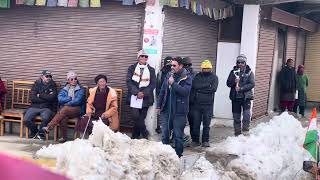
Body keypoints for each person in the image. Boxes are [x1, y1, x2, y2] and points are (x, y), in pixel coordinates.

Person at [157, 57, 192, 157]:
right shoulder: (169, 75)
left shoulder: (187, 77)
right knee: (165, 134)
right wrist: (159, 105)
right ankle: (165, 156)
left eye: (174, 65)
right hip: (166, 109)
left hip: (179, 111)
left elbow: (185, 92)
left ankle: (178, 156)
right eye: (171, 65)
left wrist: (173, 84)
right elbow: (163, 91)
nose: (172, 67)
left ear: (180, 66)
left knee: (178, 136)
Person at [42, 71, 86, 143]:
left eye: (75, 79)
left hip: (78, 109)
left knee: (64, 109)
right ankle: (63, 137)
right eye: (71, 79)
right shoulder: (65, 89)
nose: (74, 80)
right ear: (68, 80)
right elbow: (60, 98)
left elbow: (78, 100)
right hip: (67, 110)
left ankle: (49, 127)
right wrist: (69, 98)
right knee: (63, 116)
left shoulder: (81, 89)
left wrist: (67, 104)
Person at [127, 49, 156, 139]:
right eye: (142, 56)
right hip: (134, 96)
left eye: (145, 56)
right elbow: (129, 81)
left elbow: (153, 84)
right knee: (136, 116)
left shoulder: (151, 70)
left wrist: (143, 93)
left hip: (146, 98)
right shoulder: (131, 68)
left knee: (141, 117)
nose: (144, 57)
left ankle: (135, 137)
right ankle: (144, 132)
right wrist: (137, 92)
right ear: (138, 57)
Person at [190, 60, 218, 147]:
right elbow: (195, 86)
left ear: (210, 68)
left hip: (208, 105)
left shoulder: (214, 77)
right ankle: (195, 140)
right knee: (196, 123)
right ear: (202, 69)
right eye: (204, 69)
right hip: (197, 104)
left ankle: (205, 140)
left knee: (206, 124)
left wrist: (200, 89)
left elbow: (213, 89)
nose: (206, 70)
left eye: (207, 68)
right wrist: (207, 86)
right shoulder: (197, 76)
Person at [24, 70, 57, 140]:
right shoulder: (36, 84)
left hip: (46, 107)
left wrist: (40, 95)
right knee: (26, 120)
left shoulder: (53, 84)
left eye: (50, 76)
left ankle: (41, 133)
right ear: (42, 77)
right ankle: (34, 130)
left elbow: (52, 97)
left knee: (46, 118)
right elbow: (33, 98)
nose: (49, 78)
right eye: (47, 76)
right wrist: (46, 97)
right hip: (35, 106)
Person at [227, 54, 255, 136]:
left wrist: (241, 88)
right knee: (236, 117)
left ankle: (245, 131)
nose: (240, 64)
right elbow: (228, 83)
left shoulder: (249, 72)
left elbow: (252, 84)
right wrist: (234, 81)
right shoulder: (233, 72)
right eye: (238, 62)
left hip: (246, 97)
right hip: (235, 98)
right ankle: (237, 134)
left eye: (242, 62)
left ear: (245, 63)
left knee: (246, 115)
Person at [155, 56, 173, 134]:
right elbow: (158, 84)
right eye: (167, 62)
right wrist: (159, 95)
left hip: (171, 96)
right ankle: (159, 127)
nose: (169, 65)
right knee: (161, 112)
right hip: (162, 95)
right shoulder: (161, 73)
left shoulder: (173, 73)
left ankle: (170, 130)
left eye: (170, 63)